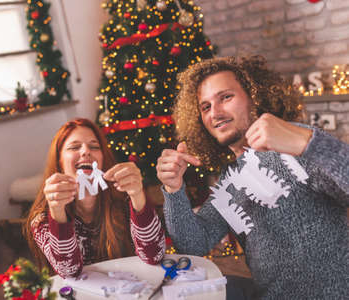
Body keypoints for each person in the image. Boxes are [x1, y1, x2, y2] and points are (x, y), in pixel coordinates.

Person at [156, 56, 348, 299]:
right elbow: (193, 244)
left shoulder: (296, 142)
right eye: (205, 107)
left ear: (254, 97)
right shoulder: (229, 179)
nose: (215, 113)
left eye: (225, 97)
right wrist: (174, 191)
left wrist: (306, 142)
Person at [24, 118, 165, 278]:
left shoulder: (124, 199)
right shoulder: (42, 220)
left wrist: (137, 195)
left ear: (103, 157)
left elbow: (155, 256)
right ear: (60, 161)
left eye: (94, 146)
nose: (85, 151)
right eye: (74, 147)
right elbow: (68, 271)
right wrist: (57, 212)